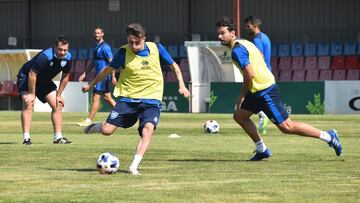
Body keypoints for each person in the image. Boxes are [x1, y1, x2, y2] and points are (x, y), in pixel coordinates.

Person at [216, 17, 342, 160]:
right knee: (240, 116)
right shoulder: (244, 42)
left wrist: (242, 95)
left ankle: (329, 136)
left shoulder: (237, 50)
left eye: (222, 33)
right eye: (218, 33)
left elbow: (249, 75)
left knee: (286, 127)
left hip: (265, 90)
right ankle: (262, 149)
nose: (219, 37)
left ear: (232, 33)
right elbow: (260, 58)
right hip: (257, 90)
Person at [82, 23, 190, 174]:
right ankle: (96, 127)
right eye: (130, 42)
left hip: (151, 100)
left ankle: (133, 166)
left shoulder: (156, 48)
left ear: (144, 39)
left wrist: (182, 85)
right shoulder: (123, 52)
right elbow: (106, 71)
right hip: (128, 99)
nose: (133, 45)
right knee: (107, 131)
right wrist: (91, 85)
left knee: (148, 130)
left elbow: (174, 66)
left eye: (136, 42)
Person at [17, 35, 73, 145]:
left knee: (58, 105)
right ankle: (26, 138)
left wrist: (59, 95)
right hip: (26, 77)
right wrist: (32, 94)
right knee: (29, 103)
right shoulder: (45, 56)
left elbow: (65, 76)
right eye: (60, 49)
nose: (62, 52)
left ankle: (58, 138)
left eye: (65, 50)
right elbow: (32, 74)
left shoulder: (68, 58)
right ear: (54, 47)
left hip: (43, 80)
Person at [77, 26, 116, 126]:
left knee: (96, 97)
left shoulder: (105, 47)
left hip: (103, 76)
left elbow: (112, 62)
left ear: (102, 34)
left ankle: (88, 121)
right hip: (99, 76)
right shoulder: (96, 47)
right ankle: (124, 115)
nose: (97, 35)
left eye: (99, 33)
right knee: (107, 97)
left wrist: (113, 76)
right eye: (95, 33)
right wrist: (85, 73)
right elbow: (93, 63)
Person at [244, 15, 271, 134]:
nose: (247, 28)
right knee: (259, 99)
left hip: (260, 74)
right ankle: (263, 118)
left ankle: (263, 116)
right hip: (267, 72)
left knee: (251, 98)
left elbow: (260, 56)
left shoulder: (257, 39)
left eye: (248, 26)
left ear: (255, 26)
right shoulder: (264, 37)